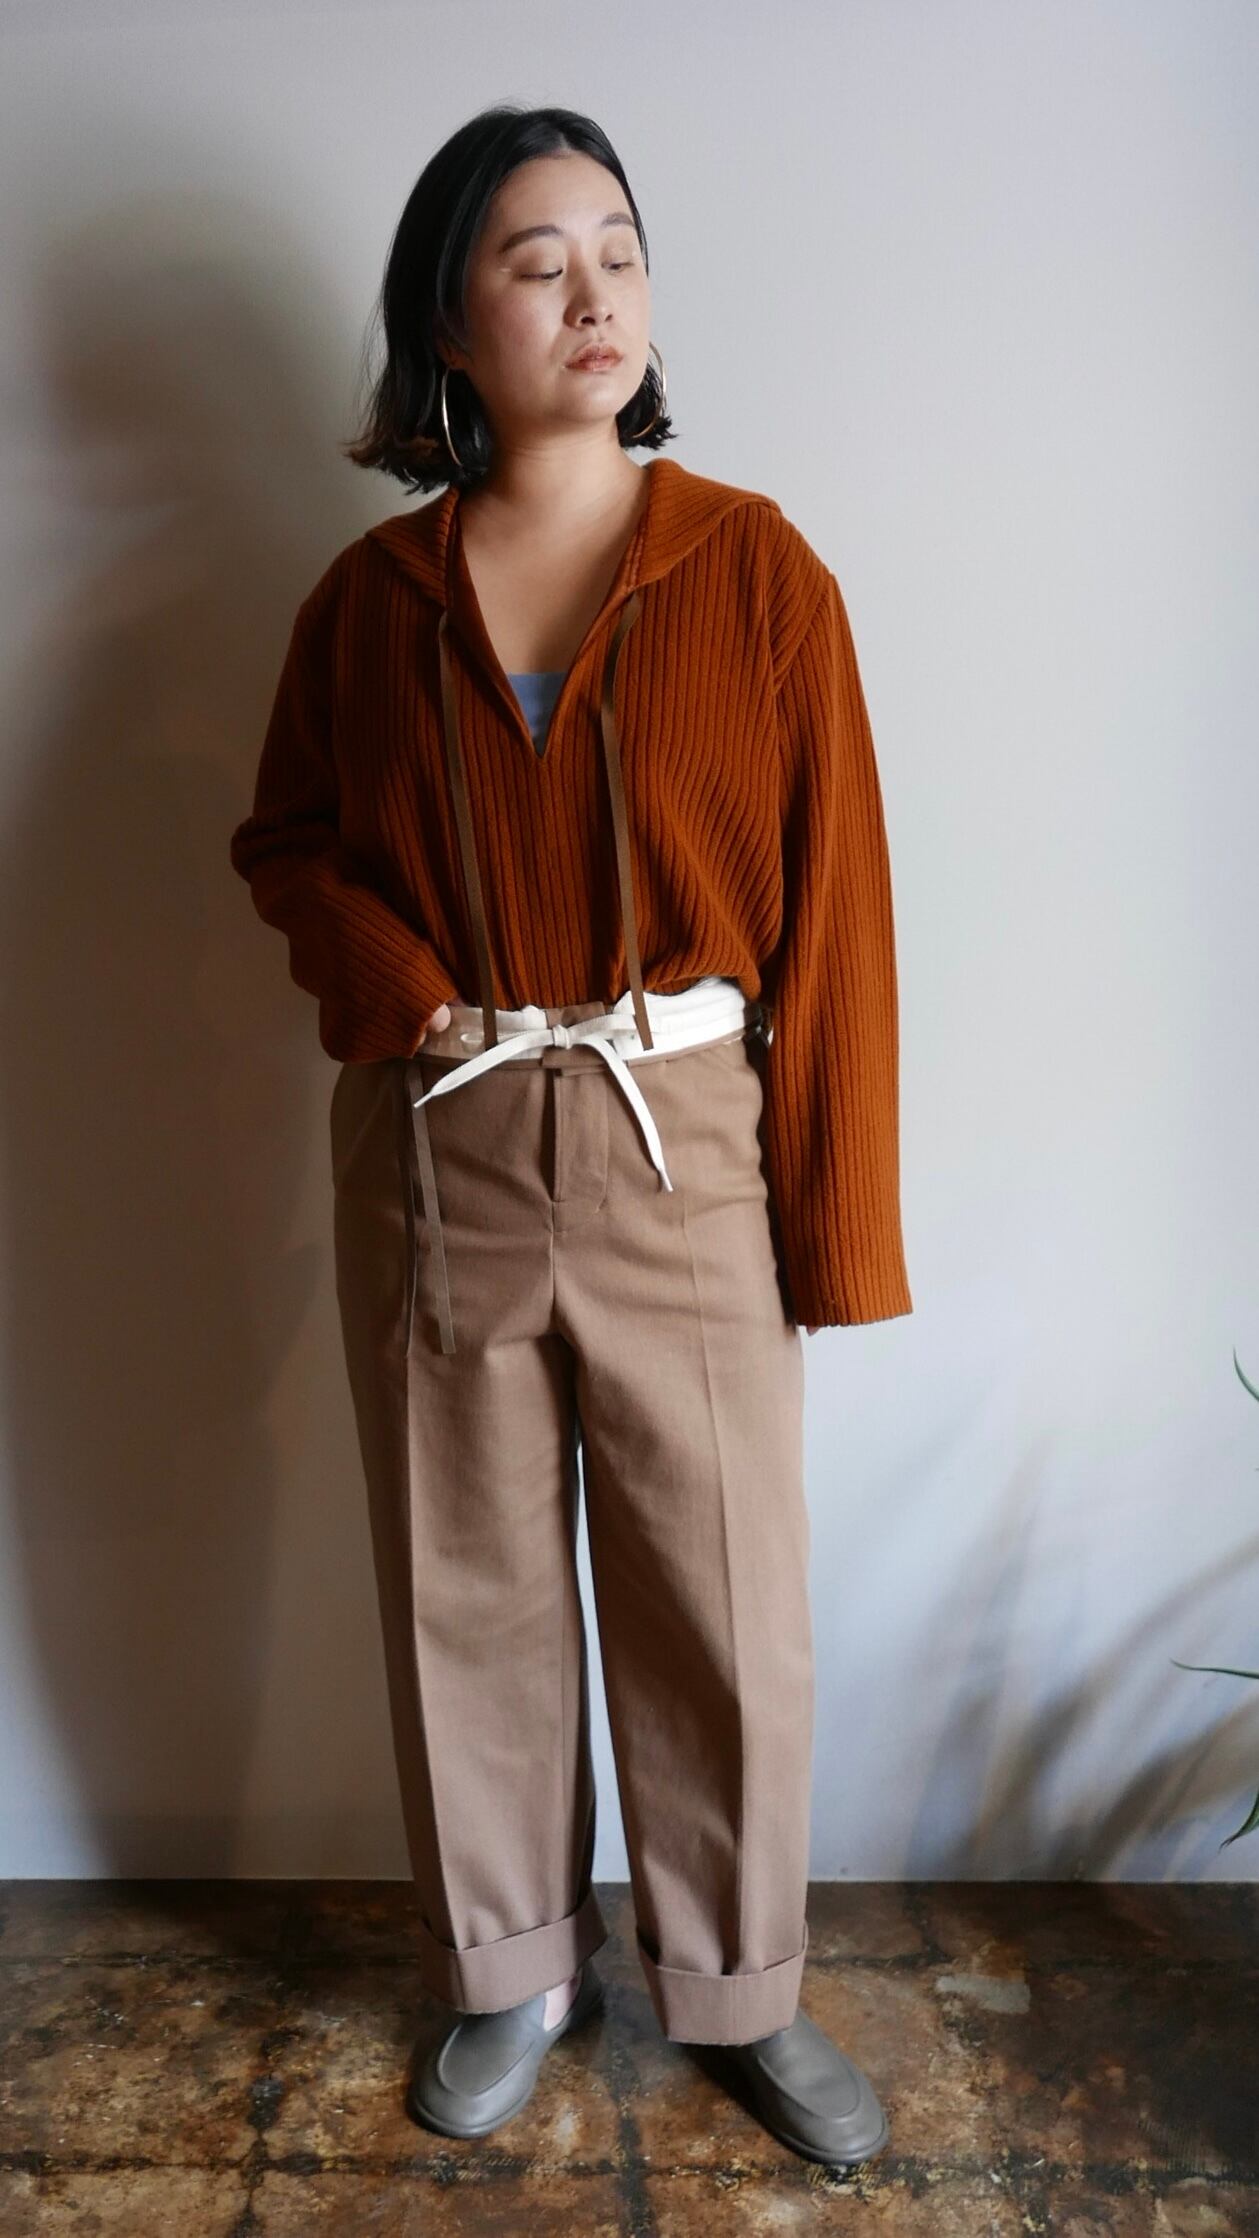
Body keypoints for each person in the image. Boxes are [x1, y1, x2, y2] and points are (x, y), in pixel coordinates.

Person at [229, 102, 912, 2168]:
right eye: (538, 261)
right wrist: (393, 974)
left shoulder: (757, 571)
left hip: (679, 1133)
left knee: (720, 1590)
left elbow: (840, 915)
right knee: (467, 1582)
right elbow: (286, 843)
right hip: (436, 1139)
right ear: (452, 322)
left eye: (618, 249)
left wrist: (838, 1230)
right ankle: (511, 1967)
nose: (594, 291)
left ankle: (742, 1984)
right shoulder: (366, 604)